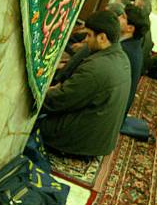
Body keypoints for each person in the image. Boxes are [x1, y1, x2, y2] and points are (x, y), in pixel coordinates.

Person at [39, 10, 130, 159]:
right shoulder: (121, 57)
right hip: (99, 140)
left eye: (88, 35)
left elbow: (58, 101)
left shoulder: (97, 68)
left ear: (102, 37)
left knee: (35, 121)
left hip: (83, 141)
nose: (86, 40)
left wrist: (40, 92)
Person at [119, 3, 149, 115]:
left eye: (122, 17)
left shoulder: (124, 51)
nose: (117, 18)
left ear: (130, 28)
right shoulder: (133, 44)